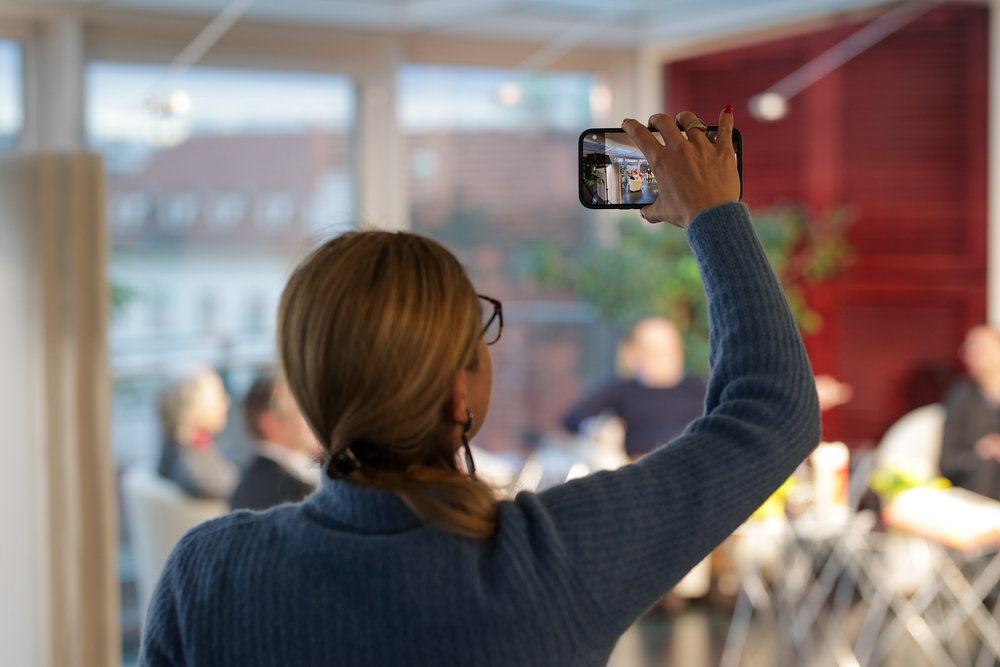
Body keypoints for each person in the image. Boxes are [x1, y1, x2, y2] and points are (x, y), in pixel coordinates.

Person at [139, 108, 820, 666]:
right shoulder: (552, 560)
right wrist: (713, 213)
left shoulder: (209, 572)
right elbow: (775, 411)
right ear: (457, 398)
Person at [563, 317, 707, 459]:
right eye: (652, 347)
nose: (662, 354)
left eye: (667, 346)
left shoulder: (700, 388)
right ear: (635, 352)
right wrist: (597, 429)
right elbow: (573, 418)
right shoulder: (622, 389)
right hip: (641, 465)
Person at [230, 371, 322, 511]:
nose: (313, 422)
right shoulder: (296, 490)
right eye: (303, 412)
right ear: (270, 424)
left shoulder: (243, 484)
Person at [156, 367, 239, 500]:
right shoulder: (186, 463)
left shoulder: (190, 446)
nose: (227, 402)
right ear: (196, 407)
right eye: (219, 396)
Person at [940, 325, 1000, 500]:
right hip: (975, 487)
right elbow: (947, 462)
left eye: (982, 348)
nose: (973, 354)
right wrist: (980, 453)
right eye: (969, 349)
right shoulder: (961, 396)